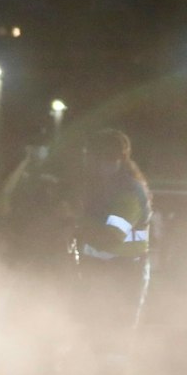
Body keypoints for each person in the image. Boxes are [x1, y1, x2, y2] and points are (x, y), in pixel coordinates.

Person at [71, 129, 153, 337]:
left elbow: (111, 237)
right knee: (93, 338)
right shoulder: (99, 188)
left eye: (94, 156)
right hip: (97, 272)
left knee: (114, 340)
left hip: (124, 274)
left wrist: (76, 225)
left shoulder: (129, 192)